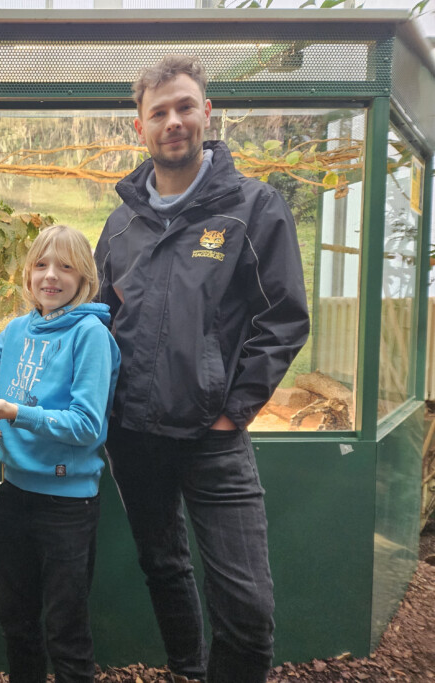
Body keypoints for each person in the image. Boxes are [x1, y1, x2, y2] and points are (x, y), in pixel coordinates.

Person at [95, 55, 310, 683]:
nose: (173, 121)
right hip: (133, 437)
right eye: (158, 112)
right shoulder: (122, 222)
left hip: (214, 441)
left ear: (207, 113)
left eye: (185, 106)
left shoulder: (253, 208)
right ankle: (188, 671)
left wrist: (231, 411)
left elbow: (283, 320)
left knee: (247, 606)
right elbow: (100, 322)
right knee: (163, 567)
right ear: (139, 126)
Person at [0, 224, 119, 681]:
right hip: (12, 495)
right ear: (27, 275)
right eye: (41, 265)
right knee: (17, 623)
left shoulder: (90, 334)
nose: (52, 276)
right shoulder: (15, 329)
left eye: (65, 266)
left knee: (65, 630)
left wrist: (18, 413)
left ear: (84, 276)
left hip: (67, 503)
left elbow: (88, 426)